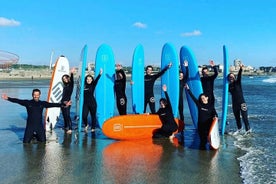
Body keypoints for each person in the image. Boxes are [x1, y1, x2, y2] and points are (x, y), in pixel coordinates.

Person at [1, 89, 71, 143]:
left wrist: (64, 105)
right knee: (25, 143)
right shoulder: (28, 103)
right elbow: (18, 101)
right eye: (34, 94)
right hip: (30, 126)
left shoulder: (42, 103)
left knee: (43, 142)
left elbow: (53, 104)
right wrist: (8, 98)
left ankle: (35, 136)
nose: (36, 96)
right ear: (32, 95)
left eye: (37, 94)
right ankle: (33, 136)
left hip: (39, 126)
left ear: (39, 95)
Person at [185, 84, 218, 149]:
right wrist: (188, 90)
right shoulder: (199, 105)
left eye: (203, 98)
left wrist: (215, 116)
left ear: (207, 98)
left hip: (208, 125)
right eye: (201, 98)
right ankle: (202, 155)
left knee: (210, 140)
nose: (202, 99)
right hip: (201, 125)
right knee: (203, 142)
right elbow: (193, 98)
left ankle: (210, 151)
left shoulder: (210, 106)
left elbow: (215, 113)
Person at [227, 64, 251, 133]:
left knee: (245, 118)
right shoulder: (228, 86)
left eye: (232, 77)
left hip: (242, 103)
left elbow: (239, 76)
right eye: (230, 77)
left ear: (234, 77)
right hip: (235, 105)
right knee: (237, 119)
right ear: (228, 79)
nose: (231, 78)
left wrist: (240, 69)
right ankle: (240, 130)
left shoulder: (237, 83)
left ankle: (248, 132)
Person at [61, 68, 75, 134]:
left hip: (67, 102)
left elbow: (72, 80)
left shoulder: (71, 85)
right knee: (64, 115)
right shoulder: (65, 86)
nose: (65, 80)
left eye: (66, 78)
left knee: (67, 115)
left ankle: (70, 128)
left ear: (68, 78)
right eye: (63, 79)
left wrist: (71, 73)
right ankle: (66, 126)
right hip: (62, 102)